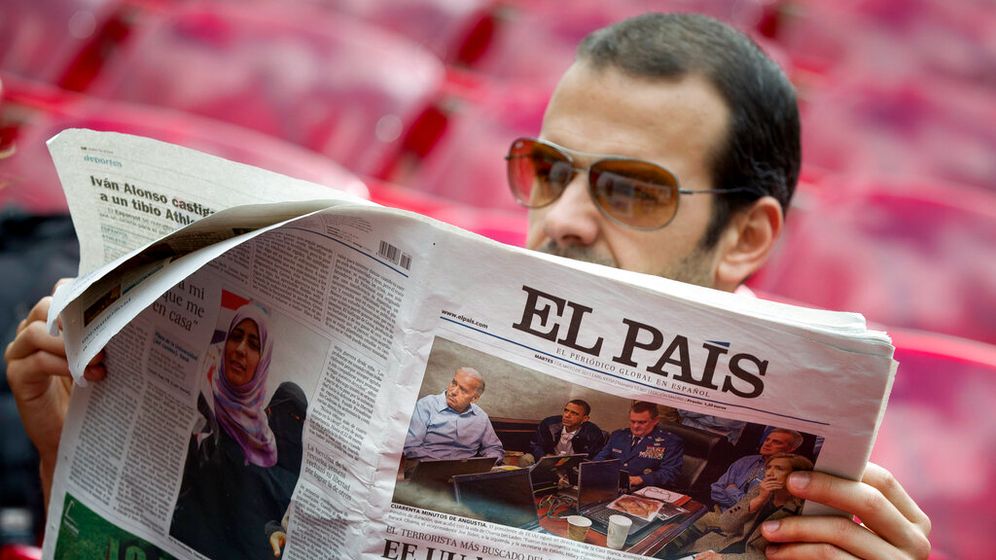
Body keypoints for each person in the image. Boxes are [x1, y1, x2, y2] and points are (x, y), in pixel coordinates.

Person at [5, 12, 931, 559]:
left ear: (744, 238)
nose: (565, 216)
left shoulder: (805, 484)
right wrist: (68, 459)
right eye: (550, 167)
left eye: (629, 190)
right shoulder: (437, 327)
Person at [169, 302, 294, 560]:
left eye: (253, 344)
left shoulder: (266, 440)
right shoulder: (202, 401)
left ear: (263, 361)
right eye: (235, 337)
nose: (239, 350)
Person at [676, 453, 815, 559]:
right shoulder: (759, 491)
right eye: (768, 467)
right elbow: (726, 525)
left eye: (779, 469)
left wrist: (724, 558)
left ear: (797, 475)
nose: (770, 473)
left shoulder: (803, 509)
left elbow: (773, 556)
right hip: (726, 543)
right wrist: (759, 499)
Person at [402, 367, 504, 461]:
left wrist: (483, 464)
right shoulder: (426, 405)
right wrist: (442, 466)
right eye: (454, 383)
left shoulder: (481, 417)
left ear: (474, 398)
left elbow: (494, 448)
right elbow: (411, 446)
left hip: (464, 474)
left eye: (463, 390)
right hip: (426, 469)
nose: (453, 391)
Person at [593, 401, 683, 488]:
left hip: (644, 489)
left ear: (655, 421)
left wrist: (641, 479)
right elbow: (600, 458)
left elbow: (670, 473)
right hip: (612, 485)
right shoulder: (618, 435)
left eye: (642, 422)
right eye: (632, 421)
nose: (635, 426)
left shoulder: (669, 442)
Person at [711, 428, 802, 510]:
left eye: (776, 442)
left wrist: (732, 491)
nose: (767, 444)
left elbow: (759, 509)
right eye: (767, 439)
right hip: (716, 513)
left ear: (790, 449)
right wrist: (744, 507)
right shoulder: (746, 460)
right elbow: (716, 490)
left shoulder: (786, 473)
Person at [527, 399, 605, 462]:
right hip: (548, 462)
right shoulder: (549, 424)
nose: (567, 415)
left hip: (573, 467)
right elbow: (535, 445)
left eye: (574, 413)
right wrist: (545, 456)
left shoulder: (593, 432)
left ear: (585, 419)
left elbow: (593, 458)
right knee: (526, 458)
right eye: (566, 410)